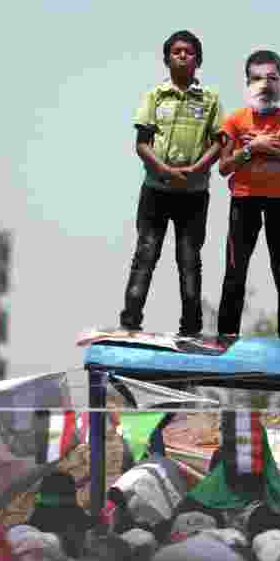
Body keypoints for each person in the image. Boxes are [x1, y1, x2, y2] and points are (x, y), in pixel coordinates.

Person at [119, 30, 226, 337]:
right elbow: (142, 143)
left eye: (188, 52)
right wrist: (165, 170)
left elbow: (219, 142)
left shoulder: (209, 99)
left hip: (194, 194)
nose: (182, 55)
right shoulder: (155, 96)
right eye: (176, 51)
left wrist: (196, 169)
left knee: (189, 259)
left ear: (198, 60)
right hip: (156, 189)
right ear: (167, 59)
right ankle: (130, 321)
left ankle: (190, 328)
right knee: (146, 253)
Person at [216, 49, 280, 340]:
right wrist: (251, 149)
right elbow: (223, 168)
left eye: (271, 78)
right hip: (244, 201)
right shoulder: (235, 121)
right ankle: (226, 335)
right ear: (248, 83)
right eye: (257, 79)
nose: (264, 85)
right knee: (235, 269)